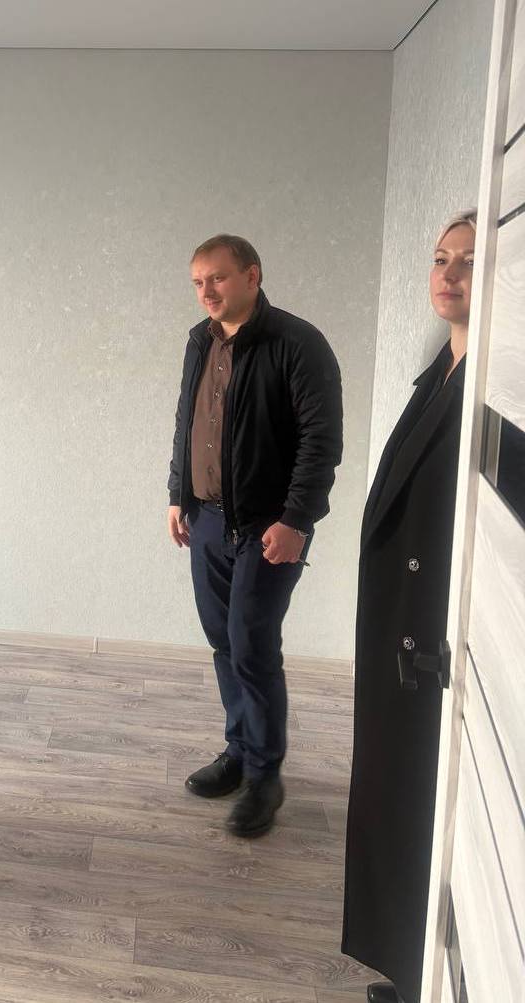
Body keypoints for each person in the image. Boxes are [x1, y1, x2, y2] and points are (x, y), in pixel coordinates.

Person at [342, 211, 476, 1003]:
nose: (448, 274)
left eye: (469, 260)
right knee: (396, 800)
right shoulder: (441, 371)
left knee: (422, 806)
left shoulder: (493, 387)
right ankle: (407, 962)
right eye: (440, 257)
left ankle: (423, 971)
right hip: (402, 631)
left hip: (432, 642)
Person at [167, 234, 343, 837]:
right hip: (208, 519)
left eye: (217, 278)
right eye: (198, 282)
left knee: (252, 644)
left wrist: (297, 520)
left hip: (269, 525)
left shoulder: (298, 343)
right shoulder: (200, 341)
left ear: (252, 275)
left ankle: (266, 776)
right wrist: (177, 494)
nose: (206, 291)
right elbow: (188, 421)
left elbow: (322, 441)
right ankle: (240, 751)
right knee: (223, 640)